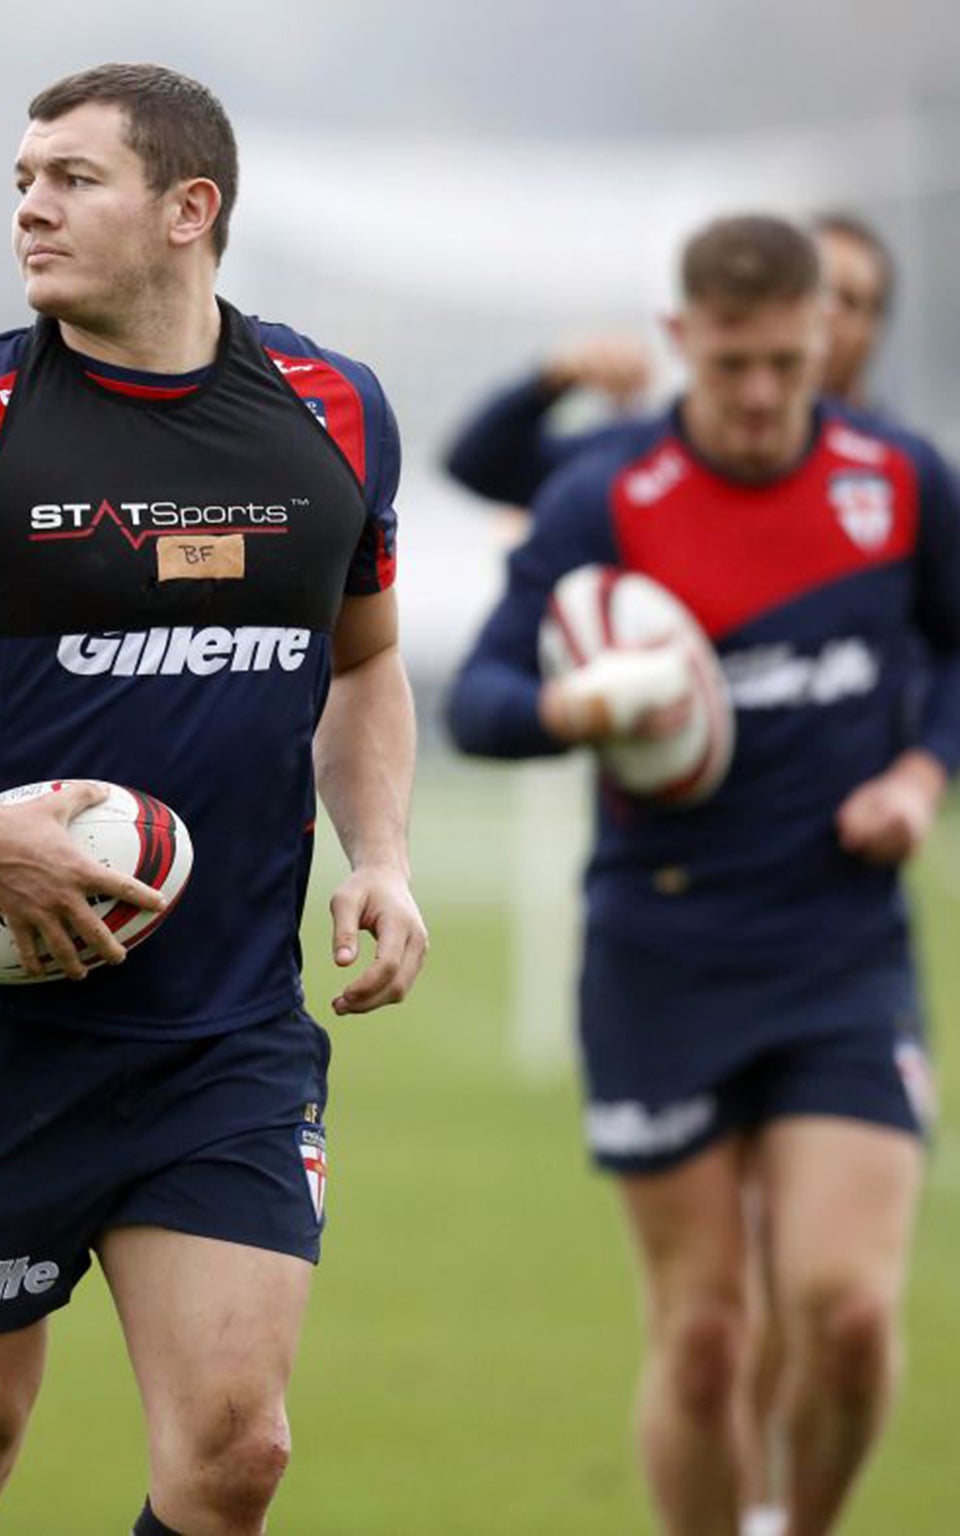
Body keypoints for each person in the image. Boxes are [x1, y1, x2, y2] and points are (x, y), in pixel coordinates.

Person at [0, 64, 426, 1536]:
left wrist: (378, 856)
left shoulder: (333, 412)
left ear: (191, 210)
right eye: (22, 180)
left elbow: (366, 664)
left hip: (226, 1039)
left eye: (73, 178)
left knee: (236, 1454)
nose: (31, 209)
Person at [447, 213, 952, 1536]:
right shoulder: (604, 498)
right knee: (711, 1337)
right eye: (733, 365)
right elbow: (481, 699)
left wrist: (920, 779)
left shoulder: (898, 480)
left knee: (842, 1312)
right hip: (659, 956)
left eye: (789, 361)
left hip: (841, 952)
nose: (762, 395)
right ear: (683, 342)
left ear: (825, 340)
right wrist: (577, 712)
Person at [440, 212, 900, 511]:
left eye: (852, 301)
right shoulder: (641, 466)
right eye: (734, 363)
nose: (834, 315)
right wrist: (553, 376)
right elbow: (482, 465)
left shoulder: (905, 475)